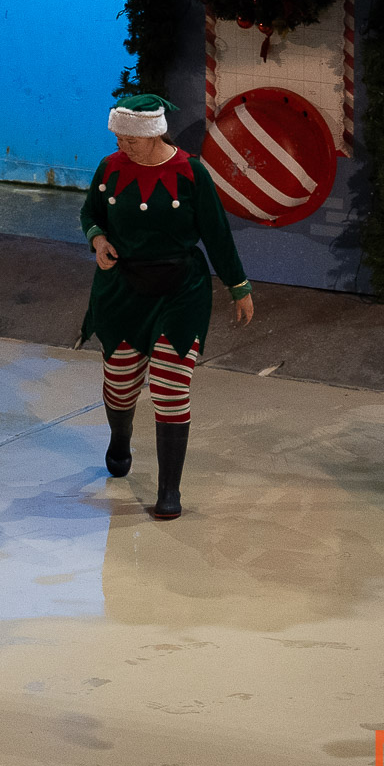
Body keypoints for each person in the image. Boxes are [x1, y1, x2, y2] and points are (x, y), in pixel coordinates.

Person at [79, 93, 255, 519]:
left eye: (130, 139)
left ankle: (169, 490)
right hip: (122, 290)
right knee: (120, 384)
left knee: (170, 385)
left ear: (154, 133)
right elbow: (91, 215)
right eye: (118, 138)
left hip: (180, 290)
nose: (122, 145)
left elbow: (216, 233)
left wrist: (238, 286)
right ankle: (120, 438)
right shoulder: (109, 169)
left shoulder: (191, 173)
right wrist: (99, 241)